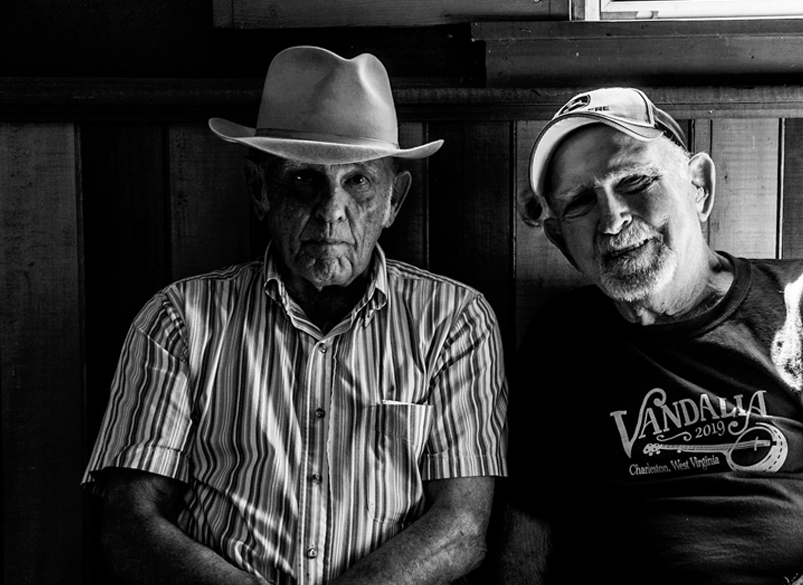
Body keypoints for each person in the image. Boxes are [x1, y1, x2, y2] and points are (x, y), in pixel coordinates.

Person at [500, 87, 803, 584]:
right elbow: (527, 541)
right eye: (580, 202)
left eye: (634, 180)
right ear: (559, 239)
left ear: (698, 186)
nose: (612, 220)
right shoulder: (558, 338)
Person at [83, 46, 508, 585]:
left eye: (358, 181)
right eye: (305, 179)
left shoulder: (455, 320)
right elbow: (130, 525)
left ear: (394, 200)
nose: (331, 210)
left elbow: (462, 528)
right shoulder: (178, 320)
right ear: (261, 189)